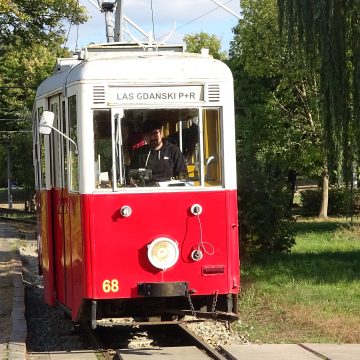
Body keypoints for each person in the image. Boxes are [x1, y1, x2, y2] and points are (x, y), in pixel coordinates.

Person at [129, 119, 187, 183]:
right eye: (148, 135)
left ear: (161, 133)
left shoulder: (173, 151)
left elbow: (182, 173)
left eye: (155, 133)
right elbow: (131, 174)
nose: (152, 137)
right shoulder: (139, 153)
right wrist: (132, 180)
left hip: (167, 190)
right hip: (146, 190)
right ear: (144, 137)